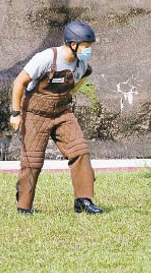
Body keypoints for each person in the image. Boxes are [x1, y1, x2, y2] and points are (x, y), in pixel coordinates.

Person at [9, 21, 103, 215]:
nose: (89, 51)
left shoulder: (81, 63)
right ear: (73, 44)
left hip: (62, 112)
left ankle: (83, 200)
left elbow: (74, 88)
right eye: (86, 46)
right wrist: (16, 113)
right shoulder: (46, 58)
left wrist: (82, 78)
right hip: (35, 114)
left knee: (80, 151)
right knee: (32, 161)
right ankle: (24, 206)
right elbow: (19, 82)